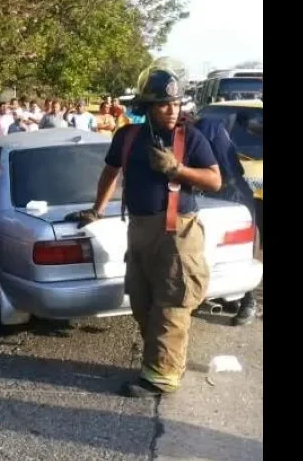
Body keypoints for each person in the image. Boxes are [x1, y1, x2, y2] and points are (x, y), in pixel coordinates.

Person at [67, 66, 221, 398]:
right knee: (142, 301)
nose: (173, 110)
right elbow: (110, 173)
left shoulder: (190, 138)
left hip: (178, 233)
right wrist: (96, 209)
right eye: (165, 104)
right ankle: (165, 362)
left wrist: (177, 169)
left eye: (177, 104)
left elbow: (214, 179)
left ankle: (161, 378)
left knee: (172, 304)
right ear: (147, 106)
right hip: (139, 230)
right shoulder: (127, 137)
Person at [193, 116, 258, 326]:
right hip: (214, 191)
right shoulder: (206, 125)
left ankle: (249, 300)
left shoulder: (207, 126)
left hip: (230, 191)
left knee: (240, 249)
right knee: (209, 247)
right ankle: (229, 294)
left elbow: (225, 163)